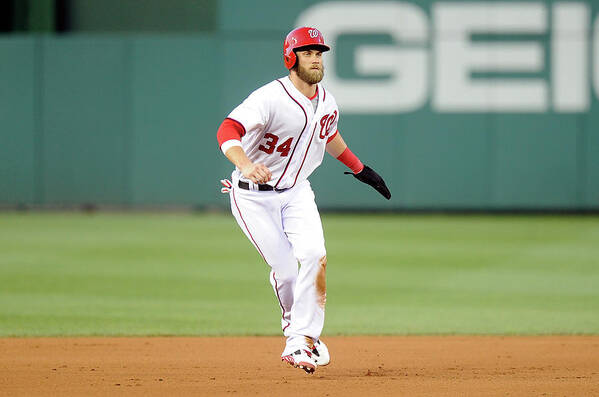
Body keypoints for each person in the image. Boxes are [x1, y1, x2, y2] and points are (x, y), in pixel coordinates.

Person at [216, 26, 391, 374]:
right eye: (308, 52)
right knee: (284, 268)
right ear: (290, 57)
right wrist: (246, 164)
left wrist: (361, 169)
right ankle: (295, 332)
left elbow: (329, 135)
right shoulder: (270, 97)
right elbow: (227, 130)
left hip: (296, 191)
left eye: (319, 53)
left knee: (314, 256)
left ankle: (303, 340)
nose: (315, 58)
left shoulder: (327, 101)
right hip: (253, 198)